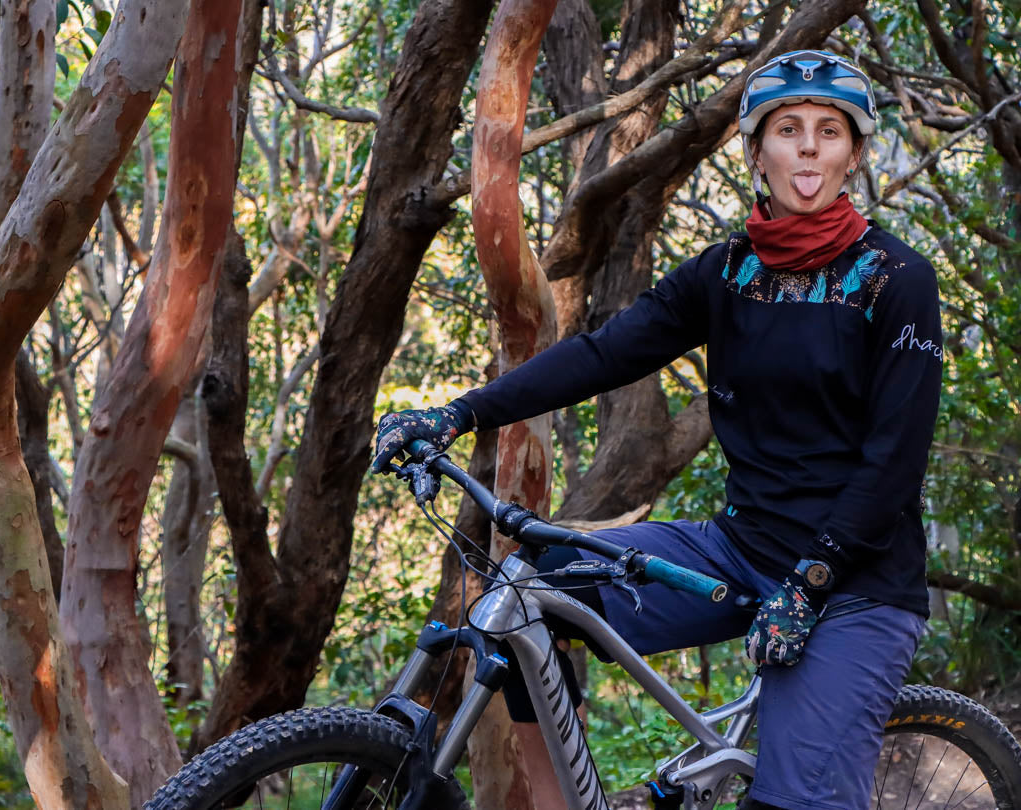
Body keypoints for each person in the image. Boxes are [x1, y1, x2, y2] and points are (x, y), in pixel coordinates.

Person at [373, 50, 943, 810]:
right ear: (756, 150)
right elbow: (603, 354)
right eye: (788, 129)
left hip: (855, 586)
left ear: (853, 153)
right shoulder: (726, 272)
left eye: (829, 131)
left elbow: (893, 466)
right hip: (740, 550)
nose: (808, 147)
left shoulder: (897, 280)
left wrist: (808, 588)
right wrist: (460, 412)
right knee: (528, 591)